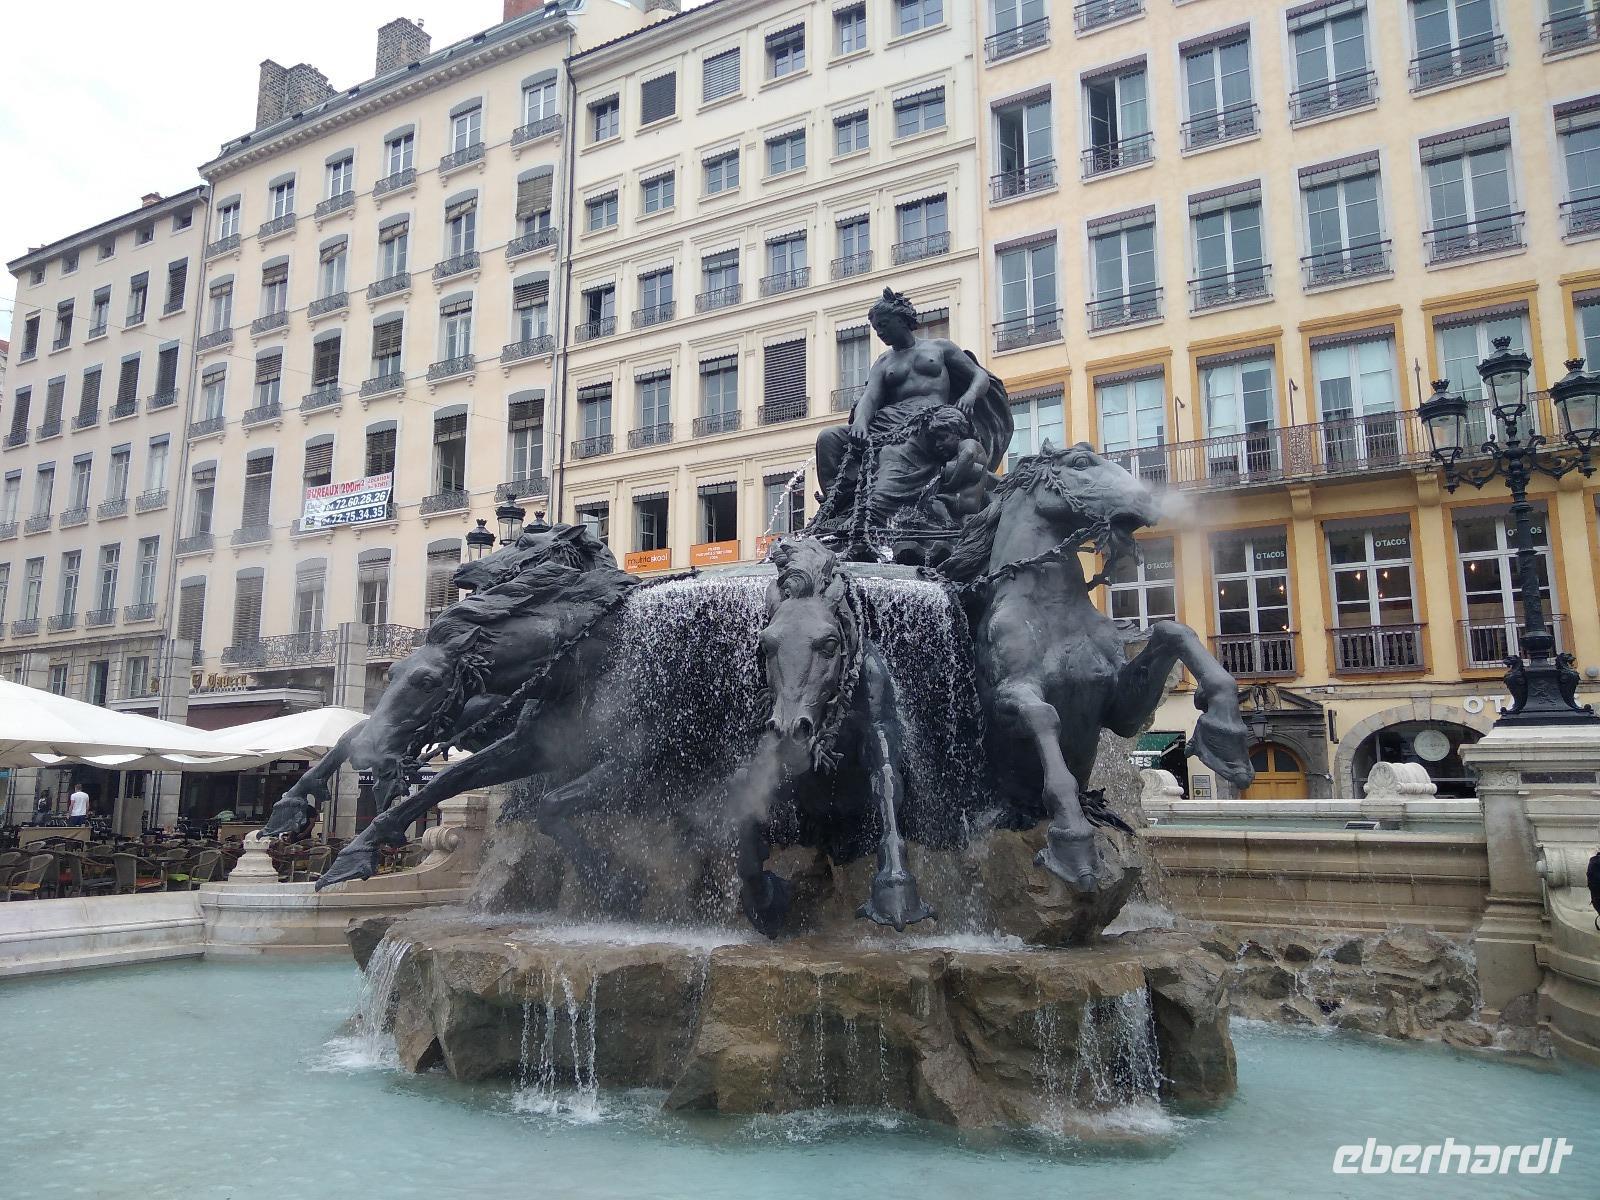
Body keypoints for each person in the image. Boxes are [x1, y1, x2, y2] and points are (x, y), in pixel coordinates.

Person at [814, 288, 1011, 526]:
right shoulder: (884, 362)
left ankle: (870, 514)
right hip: (888, 422)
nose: (880, 333)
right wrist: (860, 422)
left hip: (928, 424)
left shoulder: (940, 348)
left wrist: (969, 396)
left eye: (884, 325)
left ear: (902, 319)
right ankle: (841, 504)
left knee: (892, 453)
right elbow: (870, 397)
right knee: (829, 438)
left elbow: (979, 376)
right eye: (877, 328)